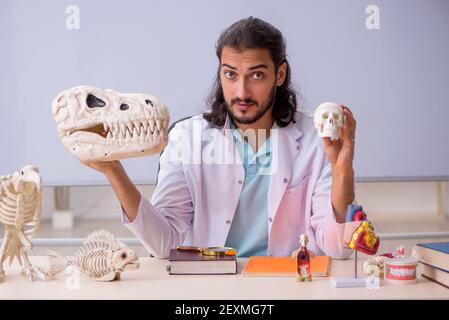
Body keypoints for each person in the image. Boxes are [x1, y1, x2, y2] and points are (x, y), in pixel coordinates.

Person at [82, 17, 356, 259]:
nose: (242, 91)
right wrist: (113, 170)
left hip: (286, 283)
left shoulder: (316, 138)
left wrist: (342, 169)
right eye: (230, 74)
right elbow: (163, 244)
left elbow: (337, 248)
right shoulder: (186, 138)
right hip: (210, 286)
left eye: (257, 75)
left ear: (280, 74)